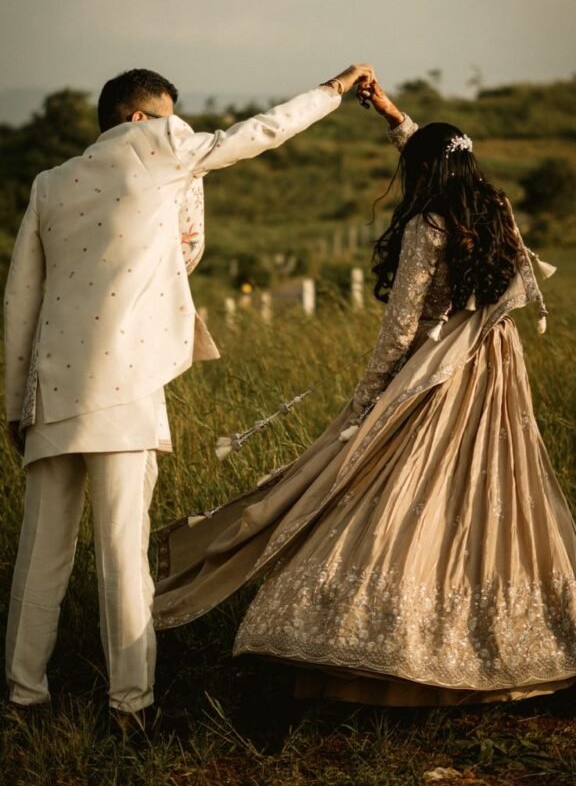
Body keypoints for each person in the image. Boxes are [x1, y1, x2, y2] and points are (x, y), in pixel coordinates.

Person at [153, 82, 576, 706]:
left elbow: (402, 326)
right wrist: (393, 116)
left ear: (424, 171)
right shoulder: (493, 204)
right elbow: (437, 154)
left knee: (394, 492)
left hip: (439, 370)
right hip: (496, 364)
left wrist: (368, 403)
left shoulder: (427, 223)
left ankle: (376, 647)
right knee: (495, 492)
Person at [3, 62, 376, 719]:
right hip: (123, 393)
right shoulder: (162, 147)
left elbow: (19, 304)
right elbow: (262, 131)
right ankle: (130, 705)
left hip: (50, 395)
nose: (187, 130)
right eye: (172, 117)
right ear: (139, 119)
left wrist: (13, 406)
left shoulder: (49, 183)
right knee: (122, 557)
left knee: (41, 559)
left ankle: (23, 697)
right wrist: (335, 89)